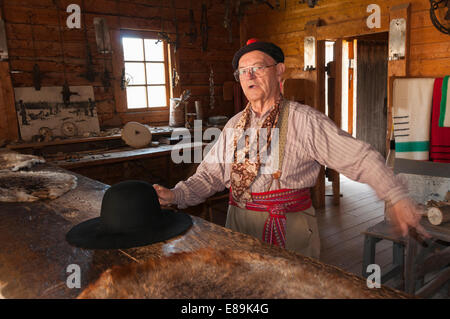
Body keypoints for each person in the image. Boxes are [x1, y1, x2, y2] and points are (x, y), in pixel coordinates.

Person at [154, 39, 428, 259]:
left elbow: (360, 157)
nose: (249, 75)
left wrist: (395, 195)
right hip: (237, 223)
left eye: (258, 68)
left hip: (288, 226)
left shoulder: (304, 121)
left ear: (279, 71)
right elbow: (210, 176)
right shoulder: (234, 125)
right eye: (242, 71)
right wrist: (177, 194)